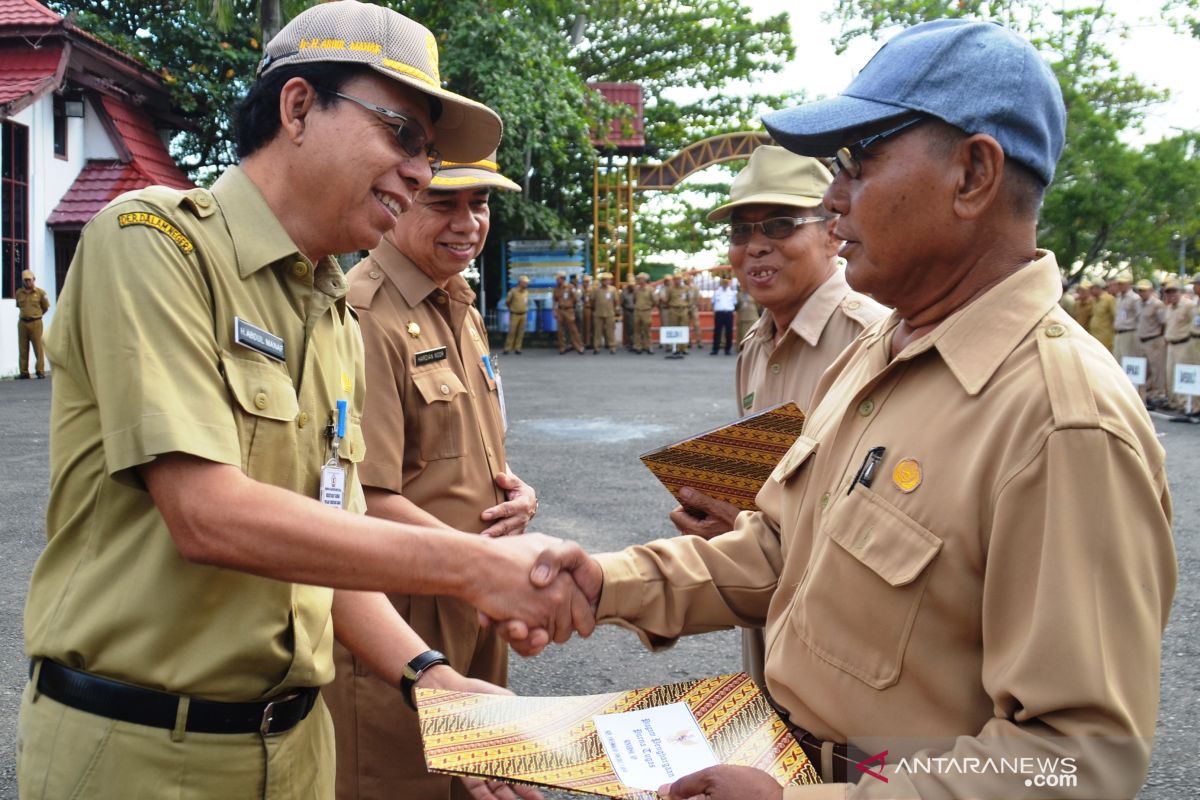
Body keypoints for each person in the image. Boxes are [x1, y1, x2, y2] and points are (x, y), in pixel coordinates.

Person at [525, 19, 1176, 800]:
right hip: (784, 753)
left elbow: (1080, 757)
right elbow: (776, 551)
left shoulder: (1060, 421)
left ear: (973, 174)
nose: (833, 199)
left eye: (859, 163)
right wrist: (602, 582)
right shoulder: (883, 349)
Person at [17, 5, 590, 799]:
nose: (422, 173)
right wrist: (476, 566)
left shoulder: (329, 313)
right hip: (143, 750)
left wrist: (428, 676)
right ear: (296, 108)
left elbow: (330, 541)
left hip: (295, 750)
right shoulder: (155, 242)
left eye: (425, 151)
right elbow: (208, 514)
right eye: (403, 136)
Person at [332, 152, 535, 800]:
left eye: (479, 204)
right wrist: (482, 565)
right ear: (398, 200)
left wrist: (518, 492)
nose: (468, 223)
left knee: (482, 782)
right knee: (403, 783)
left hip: (474, 601)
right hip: (399, 614)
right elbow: (358, 499)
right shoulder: (365, 315)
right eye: (444, 203)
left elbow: (460, 454)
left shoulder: (460, 306)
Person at [671, 145, 886, 690]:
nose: (756, 244)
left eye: (781, 223)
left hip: (851, 643)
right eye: (741, 232)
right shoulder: (756, 346)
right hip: (767, 614)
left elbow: (883, 524)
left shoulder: (873, 339)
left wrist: (743, 528)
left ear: (833, 232)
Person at [1162, 275, 1195, 412]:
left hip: (1184, 344)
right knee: (1170, 374)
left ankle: (1185, 404)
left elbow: (1194, 324)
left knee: (1182, 375)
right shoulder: (1169, 308)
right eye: (1169, 292)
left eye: (1174, 291)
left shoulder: (1188, 305)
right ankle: (1173, 402)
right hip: (1171, 344)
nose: (1171, 295)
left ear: (1180, 292)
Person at [1134, 277, 1167, 408]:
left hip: (1154, 339)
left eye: (1144, 290)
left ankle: (1158, 395)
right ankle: (1146, 394)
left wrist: (1160, 338)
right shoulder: (1138, 303)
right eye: (1140, 290)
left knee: (1156, 369)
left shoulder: (1157, 304)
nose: (1141, 293)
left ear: (1151, 291)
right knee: (1144, 369)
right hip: (1142, 339)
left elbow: (1163, 323)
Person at [14, 269, 49, 379]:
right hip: (23, 323)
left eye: (29, 280)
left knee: (38, 347)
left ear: (34, 280)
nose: (27, 282)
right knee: (23, 348)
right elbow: (19, 306)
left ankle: (40, 371)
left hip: (36, 322)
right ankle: (24, 372)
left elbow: (45, 307)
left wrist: (37, 315)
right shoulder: (19, 293)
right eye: (25, 280)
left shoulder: (40, 293)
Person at [1112, 270, 1141, 364]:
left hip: (1129, 333)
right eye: (1119, 283)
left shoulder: (1135, 298)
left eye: (1122, 283)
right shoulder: (1119, 297)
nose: (1120, 285)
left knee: (1128, 360)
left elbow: (1139, 317)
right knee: (1117, 360)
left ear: (1129, 283)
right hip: (1118, 333)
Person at [552, 272, 584, 353]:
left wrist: (570, 305)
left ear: (562, 279)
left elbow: (576, 299)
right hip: (560, 310)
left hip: (569, 310)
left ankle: (579, 346)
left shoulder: (570, 287)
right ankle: (562, 347)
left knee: (573, 329)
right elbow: (555, 301)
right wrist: (554, 311)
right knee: (560, 330)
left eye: (558, 279)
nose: (557, 281)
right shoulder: (556, 289)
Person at [591, 271, 619, 354]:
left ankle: (612, 346)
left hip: (610, 313)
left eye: (608, 280)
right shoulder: (596, 290)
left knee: (610, 331)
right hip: (598, 313)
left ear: (610, 281)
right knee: (597, 331)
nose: (606, 281)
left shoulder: (613, 289)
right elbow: (592, 301)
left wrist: (615, 310)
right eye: (604, 280)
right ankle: (596, 347)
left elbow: (616, 301)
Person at [710, 276, 737, 355]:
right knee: (717, 331)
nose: (725, 284)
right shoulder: (716, 292)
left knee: (729, 331)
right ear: (721, 283)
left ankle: (727, 349)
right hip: (719, 313)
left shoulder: (732, 293)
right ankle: (715, 349)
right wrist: (713, 311)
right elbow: (713, 303)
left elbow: (735, 303)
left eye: (726, 283)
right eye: (723, 283)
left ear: (728, 284)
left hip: (728, 313)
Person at [1088, 276, 1116, 352]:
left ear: (1098, 288)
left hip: (1105, 339)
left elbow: (1115, 317)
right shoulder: (1094, 300)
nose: (1090, 291)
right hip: (1094, 336)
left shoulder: (1109, 299)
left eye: (1091, 288)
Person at [504, 274, 530, 354]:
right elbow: (507, 302)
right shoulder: (513, 291)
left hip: (523, 314)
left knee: (521, 332)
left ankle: (518, 348)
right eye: (525, 283)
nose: (526, 284)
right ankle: (507, 348)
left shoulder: (526, 292)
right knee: (512, 331)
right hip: (515, 314)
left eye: (527, 283)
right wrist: (511, 308)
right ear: (520, 283)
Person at [632, 271, 656, 353]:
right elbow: (634, 300)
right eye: (638, 279)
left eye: (640, 279)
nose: (638, 280)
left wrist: (649, 307)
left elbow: (654, 301)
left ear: (644, 280)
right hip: (637, 311)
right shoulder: (636, 289)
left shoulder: (650, 290)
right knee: (637, 330)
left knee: (647, 330)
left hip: (646, 311)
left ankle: (648, 346)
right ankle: (638, 346)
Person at [580, 273, 595, 351]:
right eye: (584, 282)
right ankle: (586, 342)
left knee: (591, 326)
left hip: (592, 309)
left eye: (587, 282)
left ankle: (592, 342)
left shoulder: (592, 289)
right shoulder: (582, 290)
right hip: (585, 308)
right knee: (586, 326)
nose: (585, 283)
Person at [621, 279, 636, 350]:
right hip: (628, 311)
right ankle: (630, 343)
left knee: (636, 328)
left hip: (636, 311)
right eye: (630, 286)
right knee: (629, 328)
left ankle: (636, 343)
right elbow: (622, 302)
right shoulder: (624, 292)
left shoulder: (637, 291)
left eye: (633, 286)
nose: (632, 287)